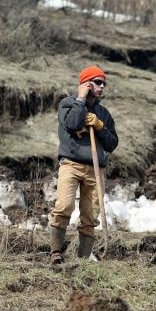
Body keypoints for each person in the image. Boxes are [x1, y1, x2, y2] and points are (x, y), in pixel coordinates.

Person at [49, 65, 119, 264]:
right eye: (97, 82)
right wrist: (81, 100)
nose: (102, 86)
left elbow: (112, 144)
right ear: (86, 84)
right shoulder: (67, 104)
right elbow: (71, 124)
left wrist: (100, 127)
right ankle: (56, 253)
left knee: (90, 217)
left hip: (96, 169)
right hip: (70, 164)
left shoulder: (103, 114)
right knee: (63, 206)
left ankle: (82, 259)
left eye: (103, 83)